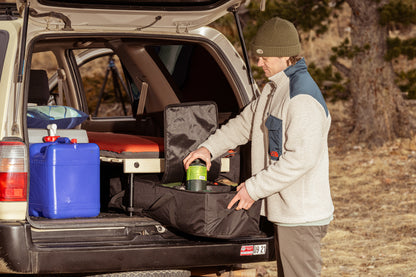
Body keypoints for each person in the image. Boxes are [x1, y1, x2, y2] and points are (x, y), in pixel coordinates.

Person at [183, 16, 334, 277]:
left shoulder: (301, 98)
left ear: (285, 56)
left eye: (265, 57)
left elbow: (301, 159)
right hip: (286, 212)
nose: (259, 62)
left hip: (301, 217)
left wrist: (253, 188)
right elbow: (244, 124)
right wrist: (208, 150)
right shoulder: (274, 88)